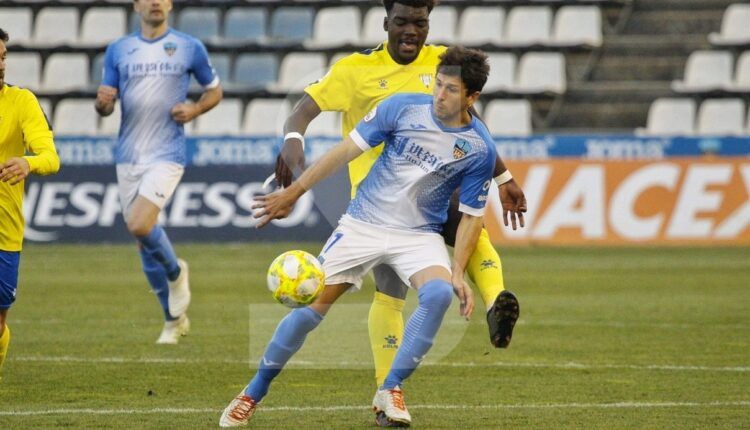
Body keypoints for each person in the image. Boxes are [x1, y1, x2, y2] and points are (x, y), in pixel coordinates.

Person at [221, 46, 496, 428]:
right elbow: (344, 152)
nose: (439, 94)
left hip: (418, 234)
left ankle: (391, 388)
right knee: (308, 312)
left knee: (437, 294)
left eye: (451, 90)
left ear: (472, 97)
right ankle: (252, 393)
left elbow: (470, 218)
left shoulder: (480, 147)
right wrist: (294, 192)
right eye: (438, 84)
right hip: (362, 224)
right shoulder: (401, 107)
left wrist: (457, 269)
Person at [275, 0, 526, 394]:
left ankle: (496, 303)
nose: (412, 30)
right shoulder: (355, 70)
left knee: (468, 220)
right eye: (403, 22)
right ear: (386, 23)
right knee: (392, 291)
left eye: (420, 23)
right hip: (378, 201)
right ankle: (388, 389)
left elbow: (470, 120)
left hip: (433, 188)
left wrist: (503, 174)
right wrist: (293, 141)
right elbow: (302, 112)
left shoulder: (443, 62)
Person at [95, 0, 223, 344]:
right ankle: (173, 319)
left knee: (138, 223)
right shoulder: (118, 49)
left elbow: (215, 90)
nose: (155, 2)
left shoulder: (188, 46)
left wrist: (195, 109)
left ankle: (176, 272)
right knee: (142, 241)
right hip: (128, 154)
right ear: (136, 5)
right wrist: (103, 102)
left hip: (167, 152)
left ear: (169, 4)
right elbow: (105, 105)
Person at [0, 27, 61, 378]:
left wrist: (28, 162)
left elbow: (51, 157)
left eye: (3, 57)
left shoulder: (21, 101)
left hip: (4, 230)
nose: (0, 65)